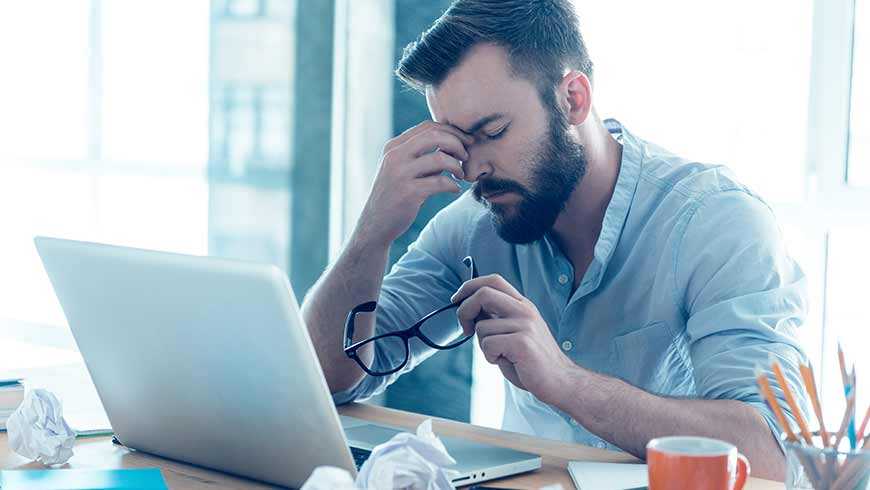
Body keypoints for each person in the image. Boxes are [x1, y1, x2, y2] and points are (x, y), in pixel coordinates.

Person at [301, 0, 809, 480]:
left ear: (573, 99)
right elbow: (328, 377)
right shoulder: (474, 225)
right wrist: (372, 231)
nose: (473, 168)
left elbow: (771, 453)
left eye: (493, 131)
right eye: (458, 140)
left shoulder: (717, 223)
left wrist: (566, 382)